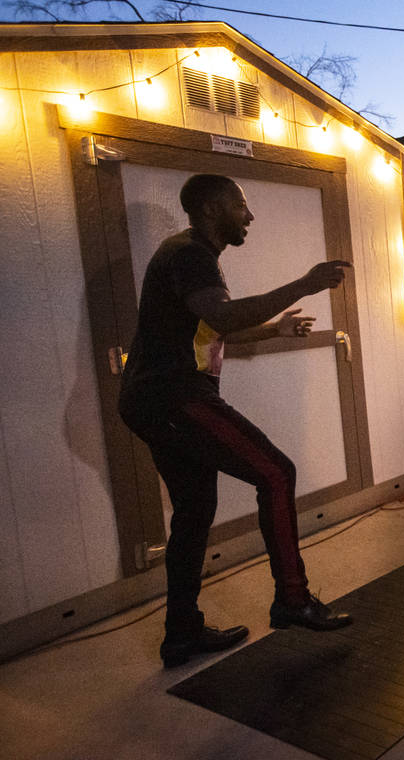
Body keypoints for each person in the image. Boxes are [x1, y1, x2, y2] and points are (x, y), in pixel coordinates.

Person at [119, 174, 355, 668]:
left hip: (156, 399)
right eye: (240, 206)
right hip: (174, 397)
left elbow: (210, 327)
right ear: (212, 209)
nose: (249, 216)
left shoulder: (190, 256)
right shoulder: (190, 254)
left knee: (194, 511)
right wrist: (306, 283)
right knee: (277, 473)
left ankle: (181, 635)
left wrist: (274, 330)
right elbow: (224, 318)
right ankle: (292, 599)